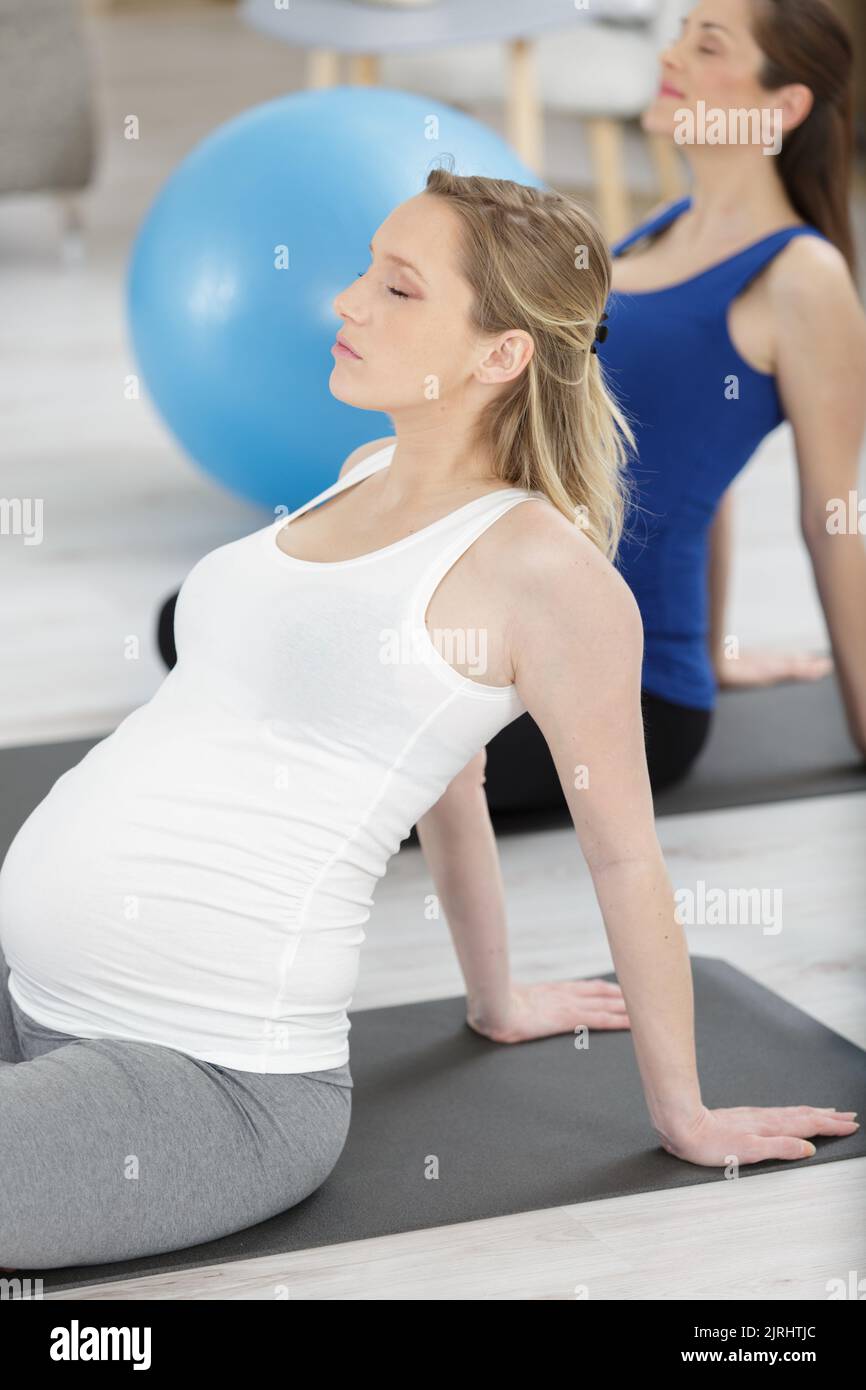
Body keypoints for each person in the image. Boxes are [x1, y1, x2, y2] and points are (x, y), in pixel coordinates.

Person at [1, 169, 857, 1272]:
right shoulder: (362, 471)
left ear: (500, 354)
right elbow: (450, 778)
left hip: (202, 1072)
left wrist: (682, 1113)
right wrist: (494, 998)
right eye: (366, 271)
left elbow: (627, 860)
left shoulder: (551, 580)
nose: (346, 302)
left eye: (396, 289)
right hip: (31, 989)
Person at [479, 0, 866, 813]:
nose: (674, 54)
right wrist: (720, 646)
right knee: (198, 621)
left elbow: (836, 514)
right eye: (680, 31)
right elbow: (692, 455)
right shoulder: (656, 234)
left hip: (619, 694)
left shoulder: (802, 277)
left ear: (782, 106)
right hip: (516, 629)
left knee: (315, 746)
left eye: (709, 42)